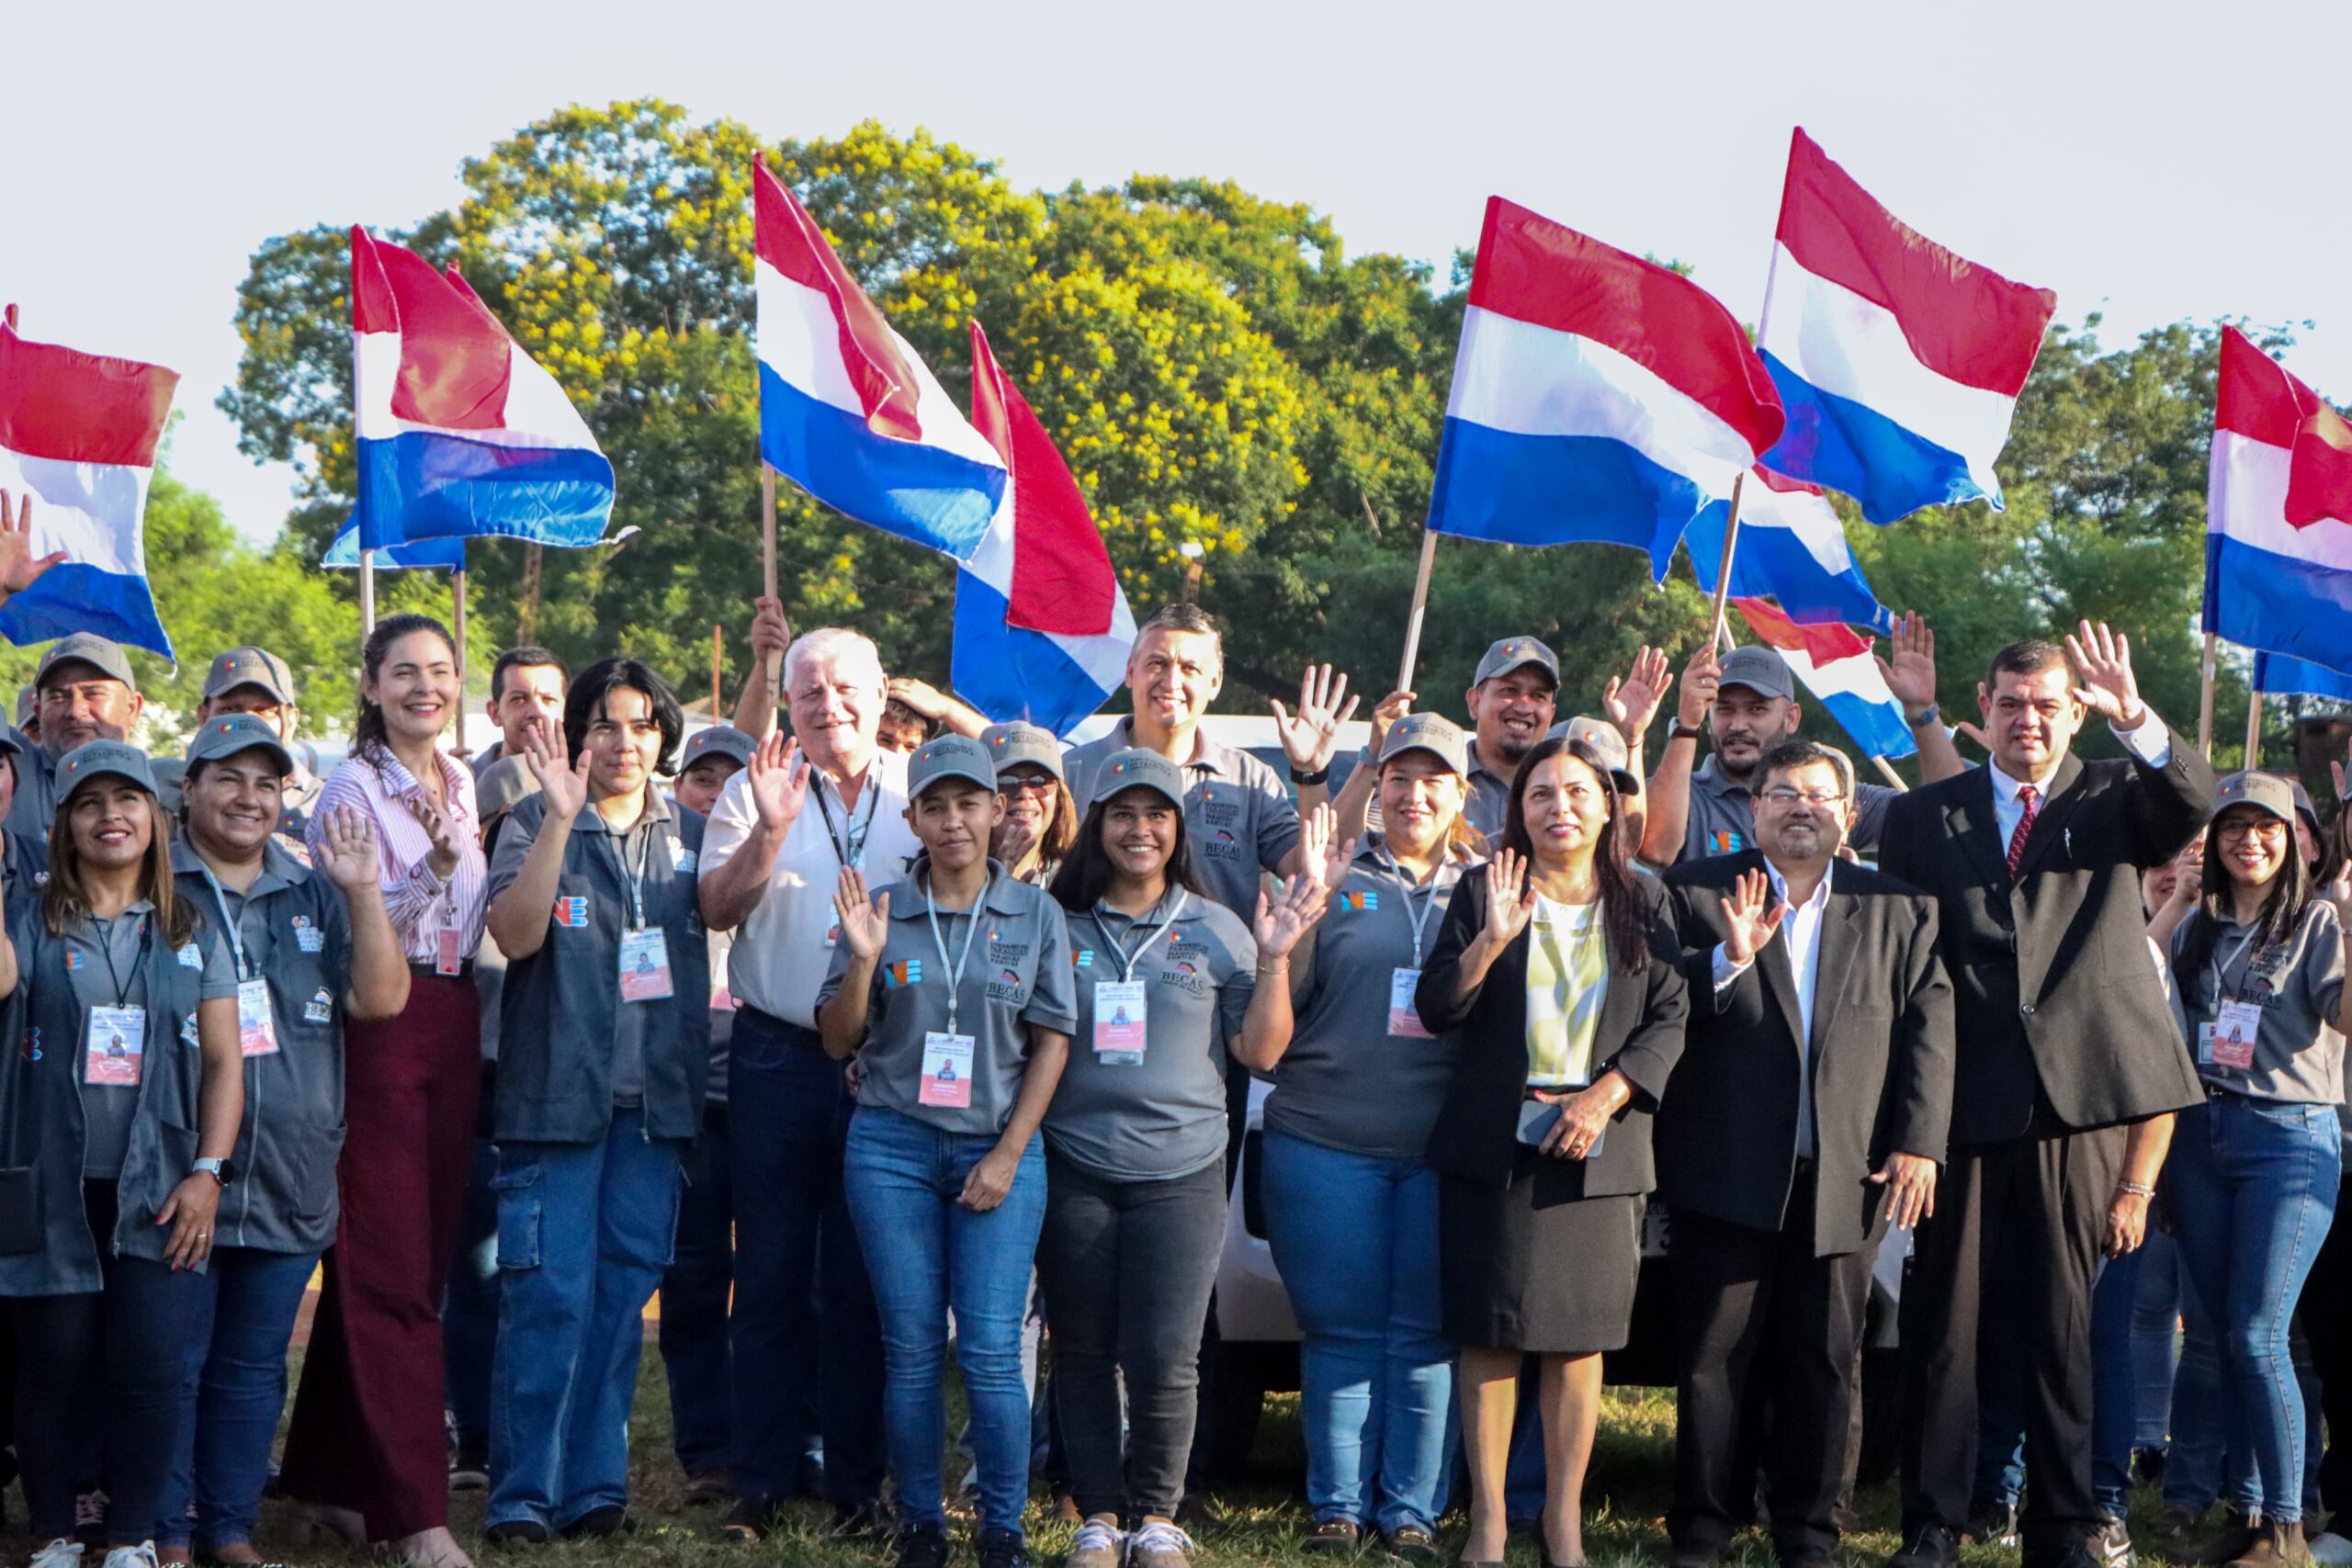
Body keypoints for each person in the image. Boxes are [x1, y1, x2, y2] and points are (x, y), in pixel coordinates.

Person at [1881, 625, 2212, 1568]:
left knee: (2065, 1323)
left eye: (2047, 705)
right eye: (2010, 703)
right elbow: (1912, 975)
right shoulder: (1922, 817)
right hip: (1959, 1105)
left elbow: (2192, 798)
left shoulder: (2113, 796)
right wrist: (1912, 1124)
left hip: (2077, 1105)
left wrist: (2136, 716)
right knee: (1943, 1325)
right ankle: (1934, 1521)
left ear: (2074, 713)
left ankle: (2066, 1522)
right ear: (1981, 711)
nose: (2027, 719)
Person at [1658, 738, 1954, 1568]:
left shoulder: (1899, 907)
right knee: (1715, 1358)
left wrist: (1920, 1142)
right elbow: (1661, 1010)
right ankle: (1704, 1527)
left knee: (1828, 1359)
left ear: (1848, 814)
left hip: (1846, 1174)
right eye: (1782, 792)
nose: (1800, 807)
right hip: (1723, 1173)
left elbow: (1929, 1031)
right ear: (1753, 810)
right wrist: (1729, 957)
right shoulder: (1694, 895)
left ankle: (1809, 1531)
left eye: (1819, 795)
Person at [1042, 750, 1325, 1568]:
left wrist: (1274, 956)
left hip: (1183, 1169)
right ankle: (1098, 1515)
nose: (1140, 829)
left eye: (1156, 814)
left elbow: (1261, 1050)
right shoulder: (1057, 925)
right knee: (1086, 1348)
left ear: (1178, 829)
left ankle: (1158, 1517)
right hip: (1076, 1163)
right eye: (1123, 813)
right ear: (1097, 825)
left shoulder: (1218, 926)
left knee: (1168, 1354)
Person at [1416, 732, 1690, 1567]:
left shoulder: (1644, 901)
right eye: (1541, 794)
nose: (1559, 807)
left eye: (1577, 792)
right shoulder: (1483, 887)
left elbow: (1671, 1015)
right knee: (1490, 1334)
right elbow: (1439, 1008)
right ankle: (1490, 1523)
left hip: (1600, 1149)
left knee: (1580, 1340)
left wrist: (1609, 1093)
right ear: (1518, 809)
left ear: (1609, 806)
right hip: (1496, 1146)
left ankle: (1563, 1523)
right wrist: (1493, 937)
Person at [816, 734, 1078, 1568]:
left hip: (997, 1144)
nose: (955, 819)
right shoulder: (880, 906)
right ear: (914, 818)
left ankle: (1002, 1525)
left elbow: (1053, 1042)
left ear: (998, 812)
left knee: (995, 1347)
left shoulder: (1036, 912)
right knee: (914, 1342)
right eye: (937, 805)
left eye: (970, 802)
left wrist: (1007, 1152)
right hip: (891, 1144)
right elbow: (837, 1039)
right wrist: (862, 961)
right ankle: (922, 1520)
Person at [155, 716, 412, 1565]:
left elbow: (379, 1000)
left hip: (288, 1175)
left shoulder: (311, 889)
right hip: (177, 1175)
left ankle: (227, 1526)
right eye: (228, 778)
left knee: (254, 1368)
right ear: (188, 788)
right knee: (172, 1363)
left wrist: (363, 891)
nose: (249, 797)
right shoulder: (156, 884)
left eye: (267, 783)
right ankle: (164, 1526)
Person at [480, 658, 711, 1541]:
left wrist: (764, 835)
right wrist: (560, 824)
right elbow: (514, 931)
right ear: (578, 733)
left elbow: (727, 907)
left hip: (653, 1111)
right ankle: (523, 1496)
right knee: (548, 1297)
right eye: (606, 724)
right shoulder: (536, 816)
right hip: (554, 1105)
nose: (625, 741)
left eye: (643, 724)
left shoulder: (689, 831)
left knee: (620, 1300)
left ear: (663, 736)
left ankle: (594, 1486)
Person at [1242, 713, 1482, 1560]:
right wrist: (1296, 926)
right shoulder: (1331, 874)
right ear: (1376, 788)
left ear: (1462, 792)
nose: (1414, 794)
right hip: (1326, 1143)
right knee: (1341, 1329)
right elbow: (1267, 1039)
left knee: (1424, 1333)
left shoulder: (1487, 885)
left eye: (1434, 780)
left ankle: (1412, 1511)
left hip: (1440, 1153)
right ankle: (1338, 1506)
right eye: (1399, 778)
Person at [0, 740, 243, 1568]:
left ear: (155, 818)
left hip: (163, 1187)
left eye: (128, 798)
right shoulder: (28, 919)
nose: (112, 815)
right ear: (64, 823)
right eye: (90, 801)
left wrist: (209, 1173)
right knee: (53, 1368)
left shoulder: (190, 927)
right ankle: (57, 1534)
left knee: (149, 1365)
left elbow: (224, 1063)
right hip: (51, 1185)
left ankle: (136, 1535)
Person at [280, 613, 487, 1568]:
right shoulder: (351, 791)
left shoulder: (463, 779)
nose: (423, 687)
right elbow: (358, 918)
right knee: (388, 1267)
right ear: (369, 685)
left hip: (454, 1018)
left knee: (417, 1261)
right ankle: (414, 1514)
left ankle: (325, 1478)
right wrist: (434, 870)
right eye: (402, 672)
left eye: (439, 671)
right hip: (380, 1022)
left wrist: (453, 860)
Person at [697, 612, 904, 1540]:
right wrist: (770, 834)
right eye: (810, 692)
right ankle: (763, 1481)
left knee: (862, 1281)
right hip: (777, 1053)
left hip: (885, 1064)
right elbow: (714, 905)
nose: (829, 706)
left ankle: (859, 1485)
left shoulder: (915, 795)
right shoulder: (757, 786)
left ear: (881, 696)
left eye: (846, 689)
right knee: (772, 1274)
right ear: (788, 704)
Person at [2160, 772, 2347, 1568]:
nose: (2251, 840)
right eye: (2234, 826)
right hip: (2202, 1139)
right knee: (2228, 1336)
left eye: (2267, 826)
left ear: (2291, 839)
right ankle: (2250, 1514)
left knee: (2260, 1332)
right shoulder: (2196, 927)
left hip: (2289, 1140)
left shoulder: (2317, 923)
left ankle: (2289, 1529)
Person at [1641, 615, 1963, 866]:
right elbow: (1654, 849)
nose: (1738, 725)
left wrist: (1922, 713)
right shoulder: (1682, 794)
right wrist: (1686, 726)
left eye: (1757, 710)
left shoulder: (1832, 798)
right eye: (1723, 709)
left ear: (1791, 718)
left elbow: (1942, 816)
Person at [659, 722, 756, 1505]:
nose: (719, 790)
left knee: (773, 1276)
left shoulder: (784, 858)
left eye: (735, 776)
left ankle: (775, 1434)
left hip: (763, 1092)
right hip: (686, 1101)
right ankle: (710, 1446)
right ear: (678, 787)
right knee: (692, 1278)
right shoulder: (656, 868)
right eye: (703, 776)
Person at [443, 758, 538, 1494]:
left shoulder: (562, 875)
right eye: (501, 822)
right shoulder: (453, 892)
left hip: (546, 1101)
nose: (511, 834)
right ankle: (476, 1432)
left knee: (541, 1277)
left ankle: (532, 1432)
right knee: (476, 1275)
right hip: (476, 1095)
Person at [8, 633, 148, 840]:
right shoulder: (11, 768)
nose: (75, 710)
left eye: (93, 693)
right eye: (57, 697)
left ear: (132, 707)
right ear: (39, 712)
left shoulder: (163, 788)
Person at [192, 649, 322, 840]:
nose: (247, 722)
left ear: (292, 721)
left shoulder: (328, 805)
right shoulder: (173, 794)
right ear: (204, 717)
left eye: (263, 711)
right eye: (231, 709)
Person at [985, 722, 1080, 887]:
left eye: (1040, 780)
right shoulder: (946, 879)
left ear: (1059, 797)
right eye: (1006, 781)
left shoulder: (1081, 884)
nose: (1025, 793)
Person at [472, 648, 568, 777]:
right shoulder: (464, 784)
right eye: (519, 699)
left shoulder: (589, 783)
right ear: (495, 712)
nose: (537, 712)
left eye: (548, 699)